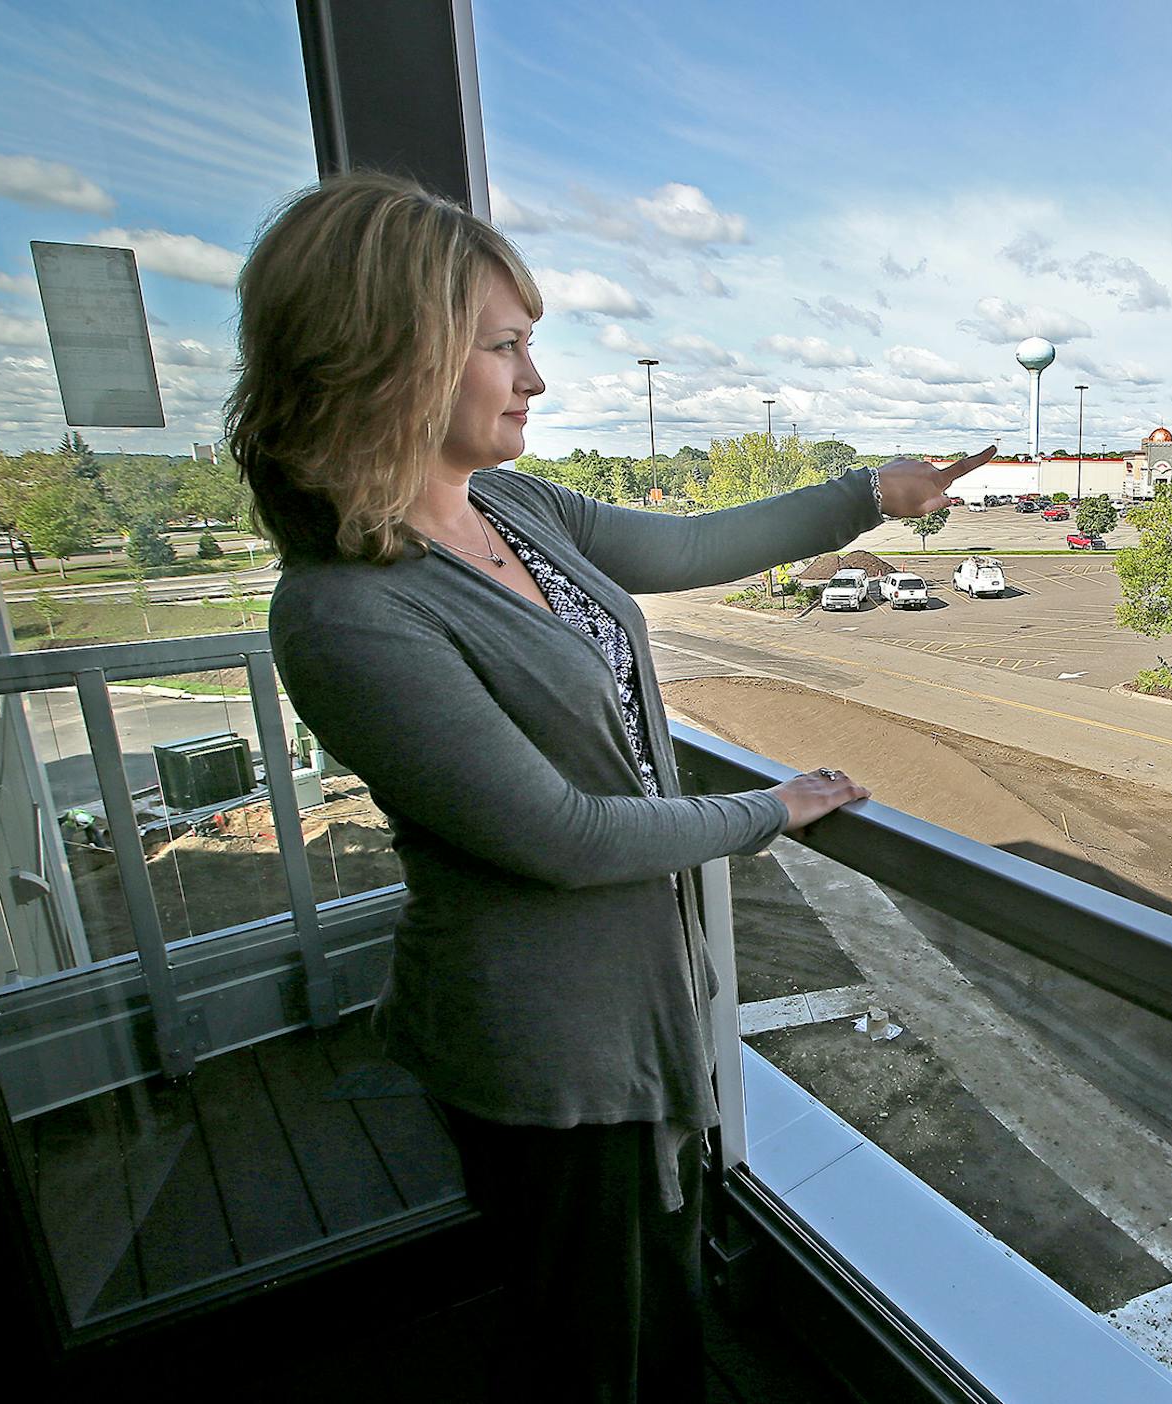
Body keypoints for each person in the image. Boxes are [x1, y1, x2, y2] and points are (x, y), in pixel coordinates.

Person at [226, 171, 989, 1400]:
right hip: (546, 1040)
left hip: (630, 1000)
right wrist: (770, 808)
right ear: (395, 358)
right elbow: (561, 835)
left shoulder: (513, 508)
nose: (535, 380)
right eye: (508, 347)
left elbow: (686, 547)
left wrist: (873, 496)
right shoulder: (344, 613)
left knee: (651, 1309)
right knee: (607, 1348)